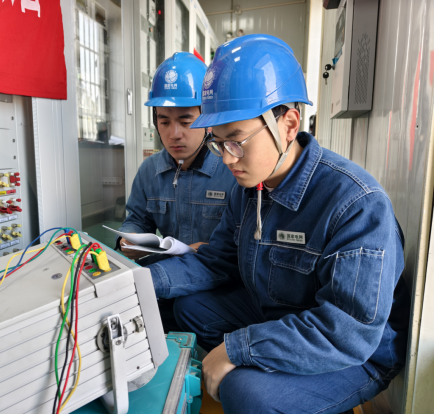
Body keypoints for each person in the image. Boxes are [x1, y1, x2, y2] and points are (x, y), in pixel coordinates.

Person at [144, 35, 410, 413]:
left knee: (244, 391)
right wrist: (139, 282)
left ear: (288, 124)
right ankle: (276, 373)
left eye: (236, 141)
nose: (227, 159)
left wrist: (237, 350)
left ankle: (275, 386)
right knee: (190, 307)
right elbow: (216, 261)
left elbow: (347, 331)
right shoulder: (249, 189)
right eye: (218, 143)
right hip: (278, 314)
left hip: (354, 352)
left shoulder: (356, 204)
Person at [117, 52, 236, 265]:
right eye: (164, 122)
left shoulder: (232, 170)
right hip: (169, 269)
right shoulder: (149, 170)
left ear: (208, 120)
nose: (174, 134)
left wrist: (213, 250)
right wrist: (128, 239)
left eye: (185, 122)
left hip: (217, 274)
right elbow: (137, 220)